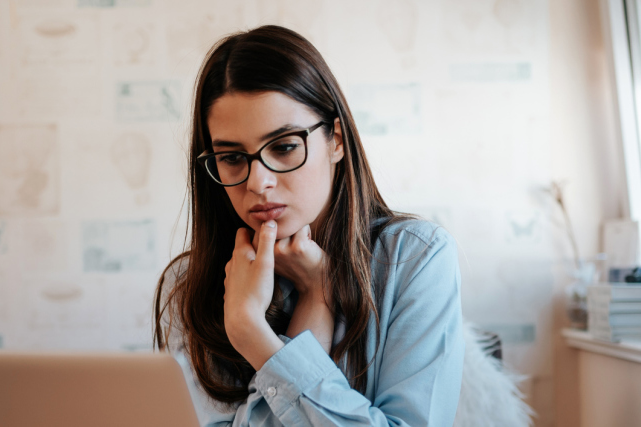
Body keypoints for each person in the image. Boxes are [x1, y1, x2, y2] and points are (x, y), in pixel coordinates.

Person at [153, 25, 464, 426]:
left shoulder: (416, 258)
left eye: (283, 147)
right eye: (232, 157)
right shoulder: (190, 283)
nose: (258, 182)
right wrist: (316, 298)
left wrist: (256, 338)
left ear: (335, 139)